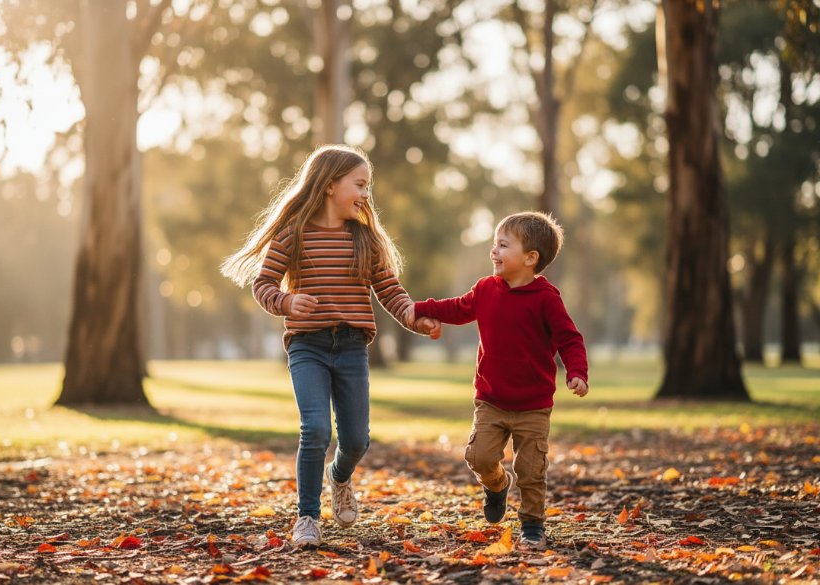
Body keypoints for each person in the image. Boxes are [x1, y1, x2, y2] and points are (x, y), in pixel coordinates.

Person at [221, 144, 438, 548]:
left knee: (356, 440)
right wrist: (287, 301)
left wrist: (412, 316)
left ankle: (339, 476)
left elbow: (389, 289)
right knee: (315, 429)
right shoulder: (294, 234)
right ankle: (306, 517)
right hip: (308, 345)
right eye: (359, 184)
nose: (365, 194)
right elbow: (263, 284)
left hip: (353, 345)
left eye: (367, 187)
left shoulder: (365, 240)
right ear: (329, 185)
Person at [413, 211, 588, 550]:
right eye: (494, 244)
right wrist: (420, 307)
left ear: (530, 258)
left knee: (531, 469)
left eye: (503, 245)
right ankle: (496, 485)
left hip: (533, 406)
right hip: (491, 399)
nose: (494, 251)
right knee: (478, 456)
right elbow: (458, 308)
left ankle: (532, 524)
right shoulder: (486, 289)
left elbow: (570, 339)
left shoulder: (546, 299)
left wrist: (577, 372)